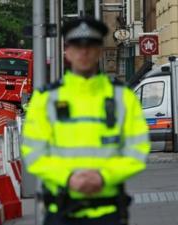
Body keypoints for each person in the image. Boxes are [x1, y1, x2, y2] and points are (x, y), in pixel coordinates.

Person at [22, 17, 150, 225]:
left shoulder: (122, 97)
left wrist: (103, 177)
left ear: (99, 50)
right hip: (61, 212)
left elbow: (137, 149)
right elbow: (34, 152)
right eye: (77, 46)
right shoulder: (46, 99)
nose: (84, 52)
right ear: (67, 51)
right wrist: (68, 178)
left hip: (109, 212)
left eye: (90, 46)